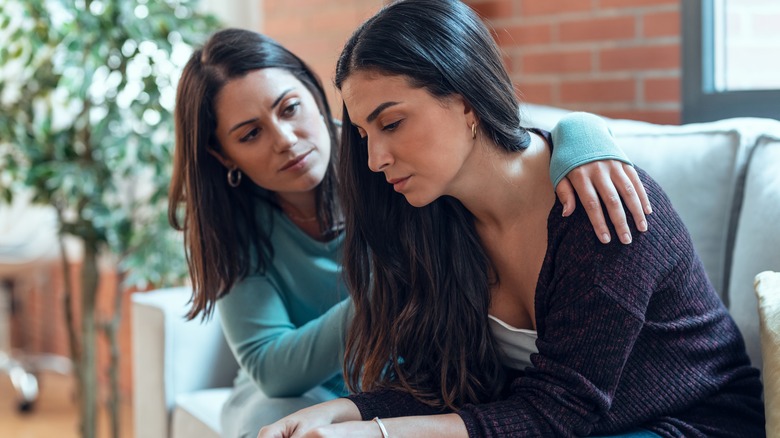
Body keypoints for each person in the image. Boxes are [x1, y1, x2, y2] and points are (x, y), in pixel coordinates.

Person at [255, 1, 766, 437]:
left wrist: (380, 432)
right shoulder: (438, 221)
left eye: (392, 123)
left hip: (690, 422)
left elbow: (559, 412)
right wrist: (343, 411)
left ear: (466, 101)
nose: (375, 158)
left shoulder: (600, 208)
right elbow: (444, 387)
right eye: (366, 134)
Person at [168, 27, 653, 438]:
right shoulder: (237, 225)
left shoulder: (390, 163)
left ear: (315, 98)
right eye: (250, 134)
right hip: (320, 385)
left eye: (290, 108)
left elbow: (497, 139)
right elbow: (274, 371)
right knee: (274, 419)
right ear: (223, 156)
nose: (286, 140)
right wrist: (393, 284)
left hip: (405, 372)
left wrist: (586, 136)